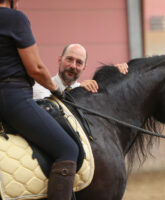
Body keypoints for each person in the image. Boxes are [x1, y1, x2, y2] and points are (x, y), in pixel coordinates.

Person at [0, 1, 77, 199]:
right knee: (68, 149)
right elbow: (35, 68)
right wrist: (57, 90)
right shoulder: (15, 18)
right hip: (12, 97)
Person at [33, 43, 128, 99]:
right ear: (59, 60)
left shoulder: (86, 91)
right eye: (69, 59)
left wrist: (115, 74)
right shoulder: (41, 86)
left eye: (79, 63)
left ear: (84, 68)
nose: (73, 66)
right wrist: (77, 92)